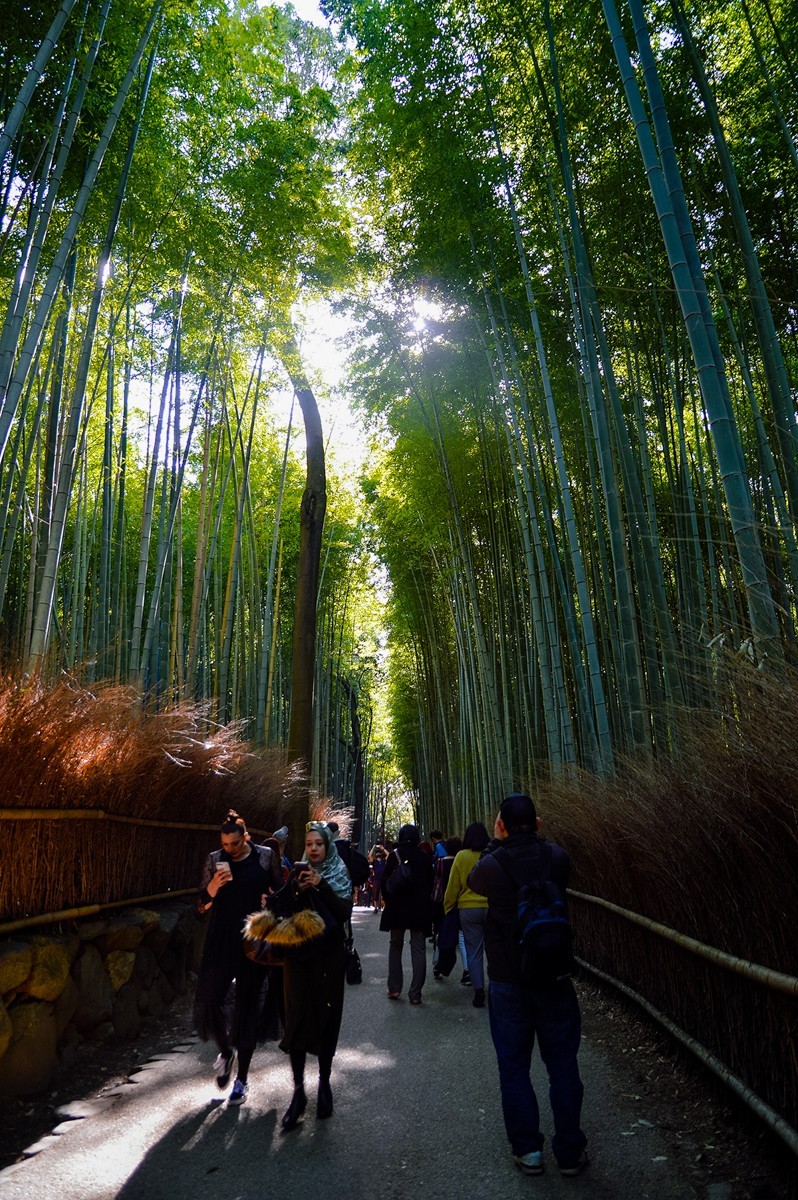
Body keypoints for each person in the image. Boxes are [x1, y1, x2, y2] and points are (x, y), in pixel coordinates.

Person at [468, 794, 588, 1178]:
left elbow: (474, 880)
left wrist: (495, 842)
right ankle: (570, 1152)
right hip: (554, 978)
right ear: (537, 823)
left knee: (514, 1068)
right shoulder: (557, 857)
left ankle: (529, 1151)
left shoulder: (491, 865)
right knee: (564, 1066)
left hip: (508, 982)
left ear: (501, 824)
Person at [194, 810, 283, 1105]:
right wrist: (213, 887)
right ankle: (226, 1051)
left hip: (253, 939)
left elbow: (280, 894)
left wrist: (269, 901)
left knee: (247, 1007)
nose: (228, 850)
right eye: (224, 845)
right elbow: (201, 906)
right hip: (221, 936)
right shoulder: (214, 860)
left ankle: (242, 1080)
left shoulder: (266, 856)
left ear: (246, 838)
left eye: (234, 844)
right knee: (209, 998)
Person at [280, 821, 353, 1130]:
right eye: (309, 843)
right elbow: (280, 904)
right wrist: (294, 890)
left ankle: (324, 1083)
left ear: (328, 846)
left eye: (318, 844)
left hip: (329, 959)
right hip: (297, 959)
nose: (313, 848)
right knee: (296, 1019)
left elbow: (343, 913)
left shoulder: (338, 873)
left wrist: (321, 885)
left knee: (326, 1020)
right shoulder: (297, 873)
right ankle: (298, 1092)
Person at [380, 823, 434, 1004]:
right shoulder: (425, 857)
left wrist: (388, 900)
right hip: (419, 909)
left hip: (397, 908)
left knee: (395, 945)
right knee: (418, 948)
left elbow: (384, 881)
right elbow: (431, 883)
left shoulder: (394, 857)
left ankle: (394, 989)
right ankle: (415, 993)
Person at [444, 821, 490, 1007]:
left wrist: (448, 906)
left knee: (474, 950)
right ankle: (495, 990)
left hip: (468, 909)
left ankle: (479, 992)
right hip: (491, 907)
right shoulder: (491, 854)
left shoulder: (461, 856)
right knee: (494, 950)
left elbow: (453, 885)